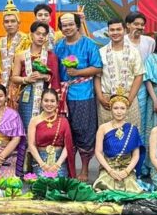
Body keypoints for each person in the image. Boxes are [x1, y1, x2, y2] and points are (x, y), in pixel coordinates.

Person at [54, 12, 103, 181]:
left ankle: (85, 169)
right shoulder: (58, 46)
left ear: (77, 25)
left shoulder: (88, 44)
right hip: (63, 96)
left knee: (84, 130)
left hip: (84, 94)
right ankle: (68, 168)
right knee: (65, 131)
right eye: (64, 25)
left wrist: (78, 72)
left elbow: (98, 67)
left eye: (70, 24)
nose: (67, 28)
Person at [11, 21, 61, 169]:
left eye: (44, 35)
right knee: (26, 128)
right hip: (27, 97)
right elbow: (14, 78)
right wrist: (26, 79)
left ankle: (41, 163)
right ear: (31, 35)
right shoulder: (21, 56)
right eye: (38, 34)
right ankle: (24, 165)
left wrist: (45, 77)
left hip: (45, 99)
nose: (41, 37)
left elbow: (55, 79)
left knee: (43, 128)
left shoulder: (51, 57)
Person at [95, 18, 144, 127]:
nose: (115, 32)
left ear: (125, 30)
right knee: (107, 132)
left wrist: (129, 99)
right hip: (107, 100)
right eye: (112, 30)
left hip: (128, 97)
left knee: (130, 132)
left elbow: (139, 75)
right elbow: (97, 76)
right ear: (108, 32)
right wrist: (100, 97)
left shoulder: (134, 52)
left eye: (118, 29)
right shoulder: (101, 52)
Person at [93, 95, 145, 193]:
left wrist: (126, 171)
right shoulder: (103, 128)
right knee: (103, 188)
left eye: (122, 108)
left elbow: (136, 155)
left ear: (127, 110)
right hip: (108, 167)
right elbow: (98, 152)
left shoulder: (132, 129)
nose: (119, 111)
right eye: (116, 108)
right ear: (111, 109)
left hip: (126, 168)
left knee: (131, 190)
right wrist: (110, 171)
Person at [25, 88, 74, 178]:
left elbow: (68, 146)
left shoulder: (63, 121)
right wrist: (42, 164)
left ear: (57, 103)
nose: (49, 104)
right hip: (39, 162)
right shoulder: (34, 121)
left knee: (59, 184)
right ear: (41, 102)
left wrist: (57, 165)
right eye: (46, 101)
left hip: (59, 162)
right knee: (42, 184)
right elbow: (31, 145)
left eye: (52, 101)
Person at [125, 11, 155, 133]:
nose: (139, 27)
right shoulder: (121, 40)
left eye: (142, 25)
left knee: (141, 117)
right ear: (128, 25)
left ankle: (140, 143)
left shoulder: (150, 42)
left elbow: (152, 62)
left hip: (143, 84)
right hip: (125, 84)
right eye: (136, 24)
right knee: (125, 114)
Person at [0, 0, 29, 90]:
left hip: (20, 85)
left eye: (13, 21)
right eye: (6, 22)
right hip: (2, 86)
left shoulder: (26, 40)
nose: (9, 24)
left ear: (18, 23)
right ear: (3, 24)